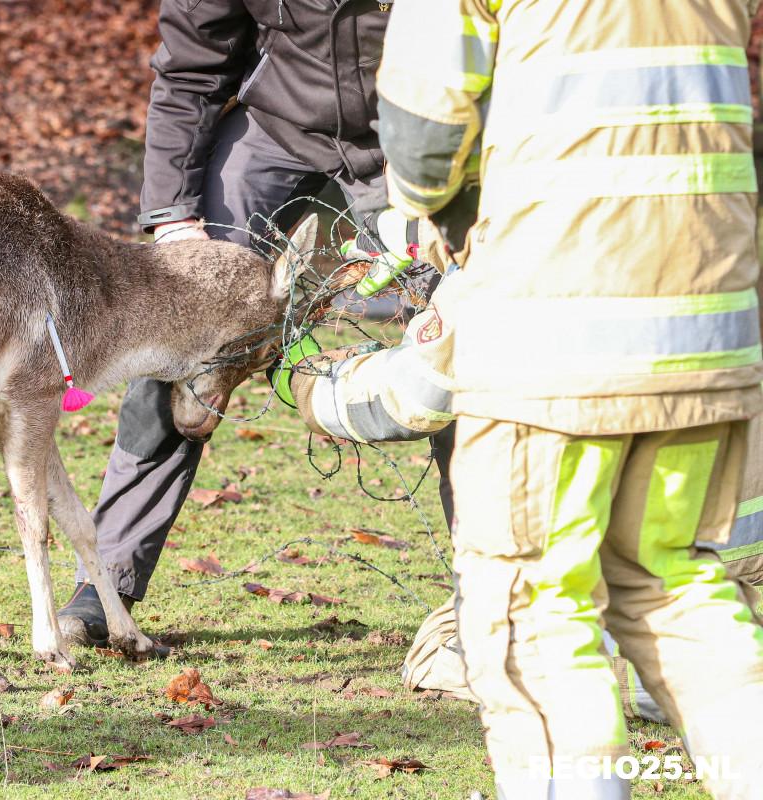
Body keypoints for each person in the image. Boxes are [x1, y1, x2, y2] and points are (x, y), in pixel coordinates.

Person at [286, 1, 763, 796]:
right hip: (707, 310)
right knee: (673, 588)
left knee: (533, 608)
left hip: (557, 313)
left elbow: (421, 128)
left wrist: (436, 216)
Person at [57, 0, 460, 646]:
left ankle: (495, 586)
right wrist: (173, 216)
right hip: (275, 129)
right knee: (181, 323)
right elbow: (191, 67)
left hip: (423, 133)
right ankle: (107, 582)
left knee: (462, 343)